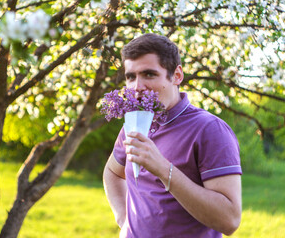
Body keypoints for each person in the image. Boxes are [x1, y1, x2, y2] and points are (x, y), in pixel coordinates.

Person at [103, 33, 242, 238]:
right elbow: (112, 173)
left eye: (149, 74)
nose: (137, 87)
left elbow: (229, 220)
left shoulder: (210, 130)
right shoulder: (135, 124)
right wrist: (124, 220)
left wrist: (163, 169)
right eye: (131, 76)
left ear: (177, 75)